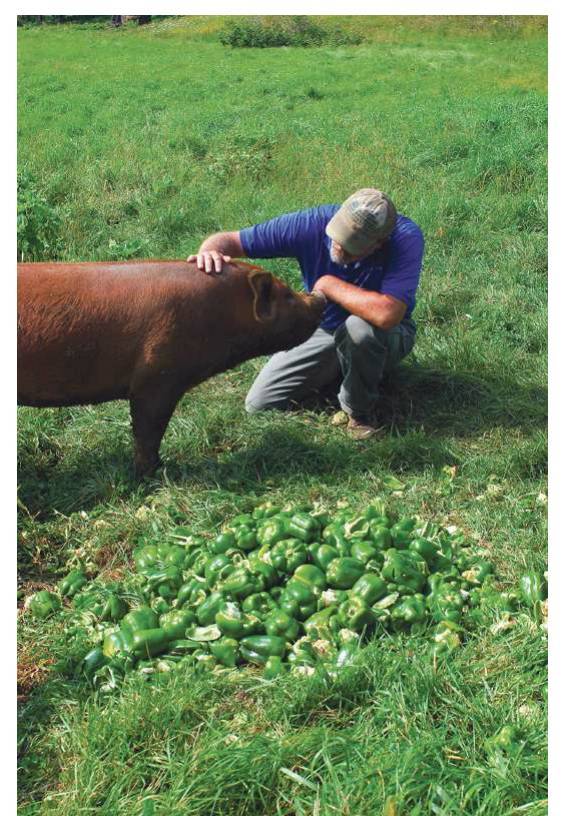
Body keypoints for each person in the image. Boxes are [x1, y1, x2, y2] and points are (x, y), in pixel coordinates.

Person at [188, 188, 424, 439]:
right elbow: (229, 241)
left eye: (352, 247)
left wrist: (329, 285)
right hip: (325, 327)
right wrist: (209, 254)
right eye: (337, 237)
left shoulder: (405, 239)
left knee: (359, 329)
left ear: (380, 243)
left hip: (385, 334)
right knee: (260, 403)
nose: (340, 249)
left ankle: (359, 413)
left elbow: (388, 314)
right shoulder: (311, 224)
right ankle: (345, 370)